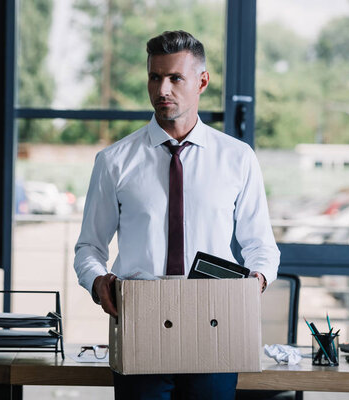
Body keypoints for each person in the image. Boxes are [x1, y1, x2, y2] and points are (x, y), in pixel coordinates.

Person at [73, 30, 280, 400]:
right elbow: (88, 247)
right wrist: (97, 281)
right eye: (155, 77)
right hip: (141, 325)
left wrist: (255, 282)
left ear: (202, 82)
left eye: (175, 78)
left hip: (215, 325)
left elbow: (262, 246)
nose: (162, 89)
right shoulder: (114, 162)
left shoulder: (237, 158)